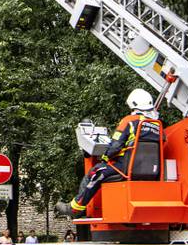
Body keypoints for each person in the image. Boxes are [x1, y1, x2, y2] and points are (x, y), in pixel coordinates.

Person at [56, 88, 162, 217]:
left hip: (125, 167)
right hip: (152, 171)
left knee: (95, 172)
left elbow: (115, 146)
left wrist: (105, 157)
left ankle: (75, 208)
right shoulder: (157, 125)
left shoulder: (129, 121)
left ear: (133, 104)